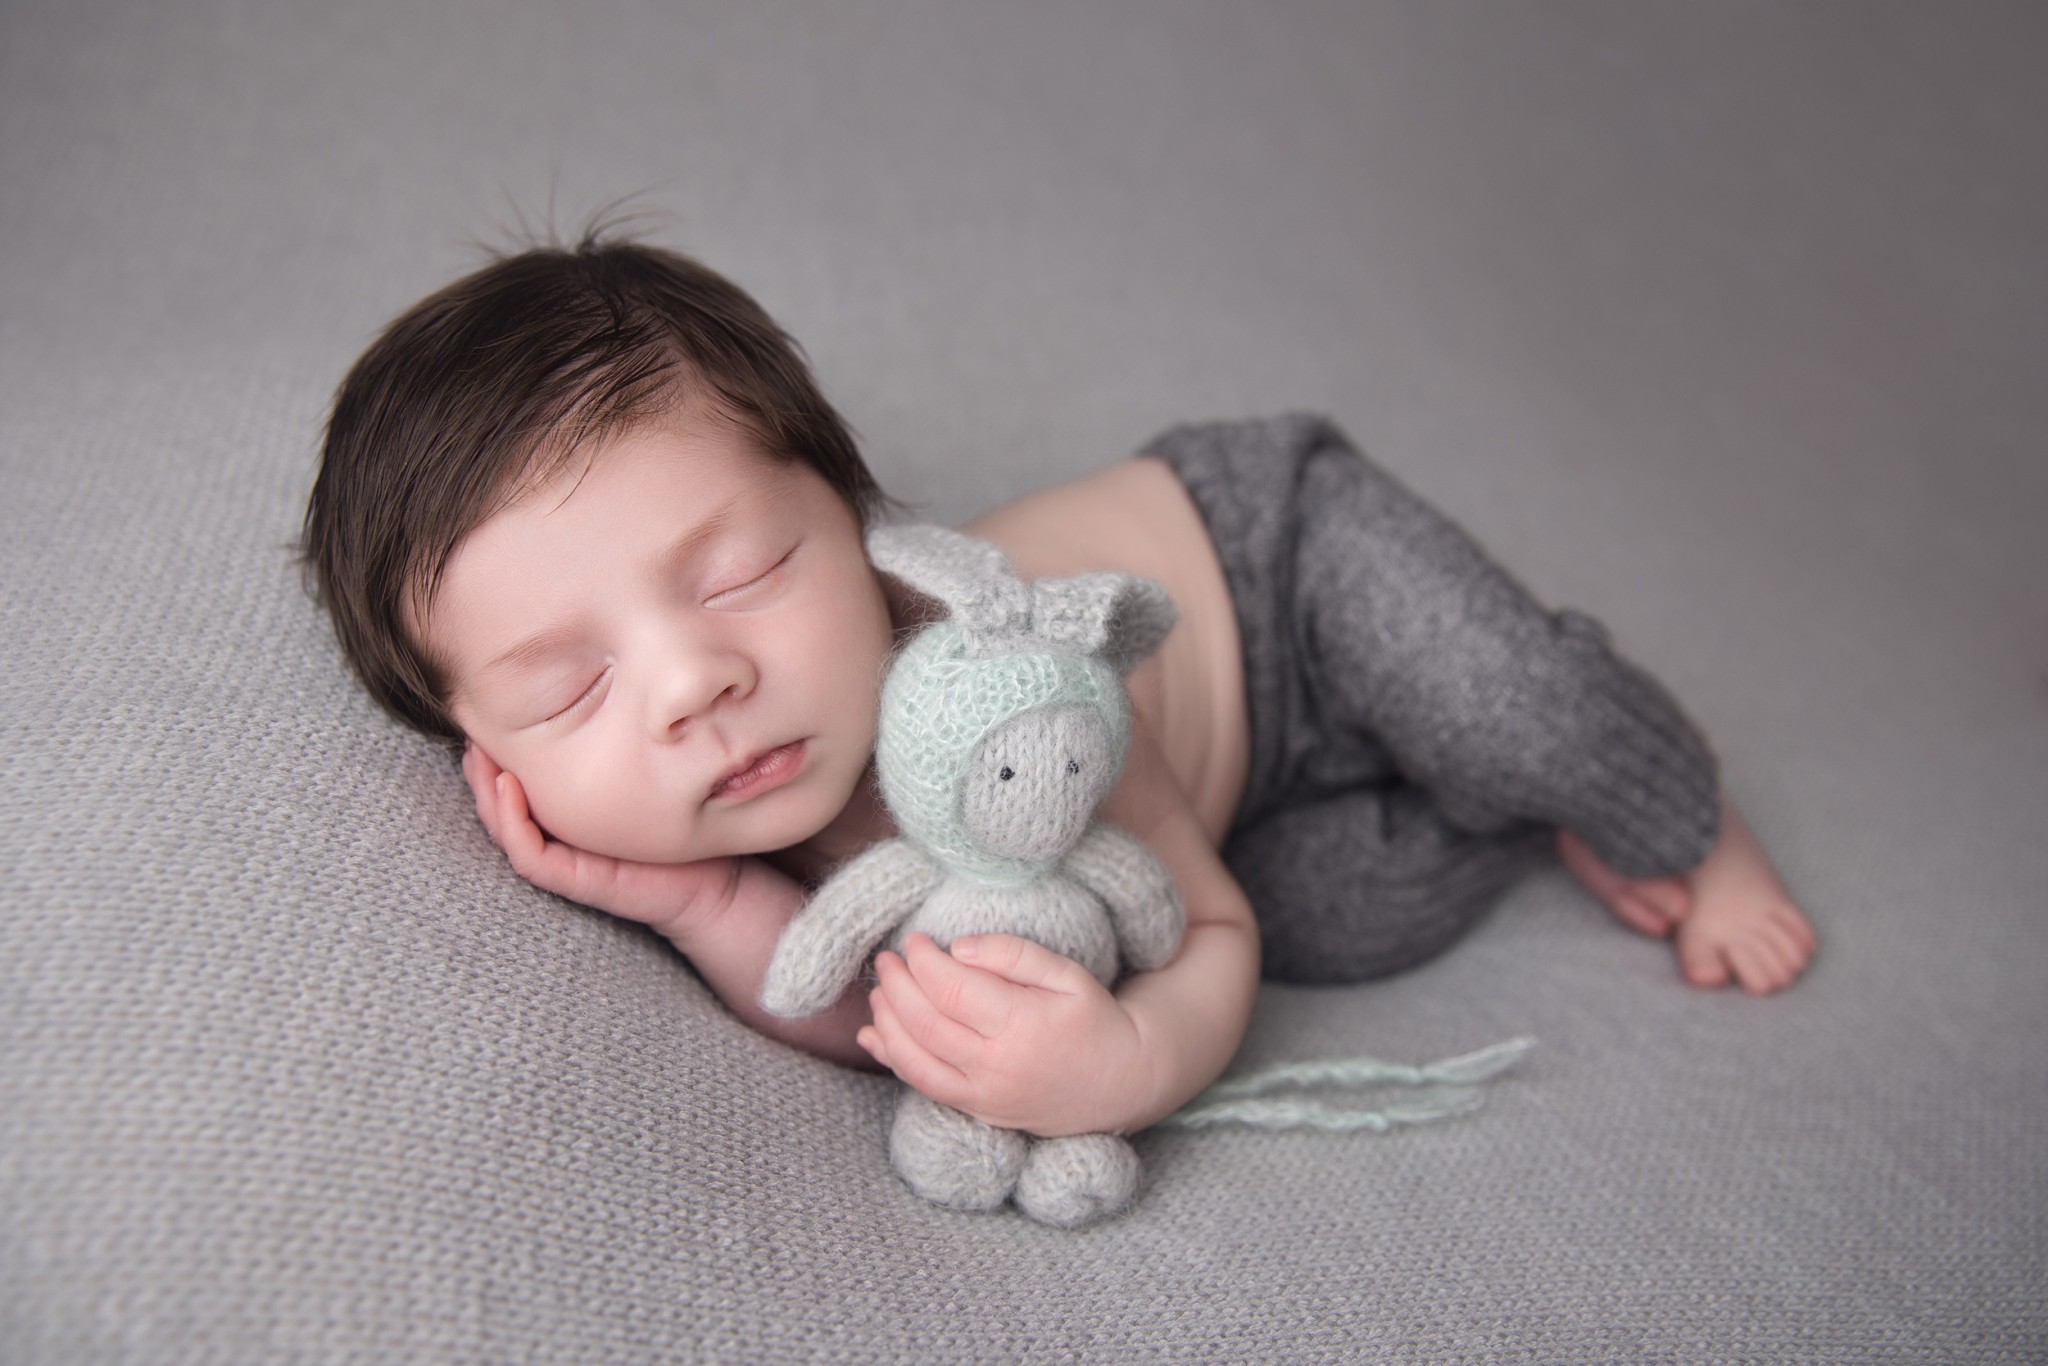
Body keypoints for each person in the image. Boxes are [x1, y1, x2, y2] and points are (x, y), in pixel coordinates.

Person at [302, 230, 1815, 1142]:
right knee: (1337, 928)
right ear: (480, 745)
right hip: (1229, 802)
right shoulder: (714, 812)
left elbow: (1203, 934)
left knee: (1504, 706)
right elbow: (881, 1007)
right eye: (569, 690)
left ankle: (1674, 806)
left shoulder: (1004, 686)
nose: (697, 682)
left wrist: (1129, 1063)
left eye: (742, 573)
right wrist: (698, 905)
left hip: (1272, 560)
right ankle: (1523, 807)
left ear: (854, 517)